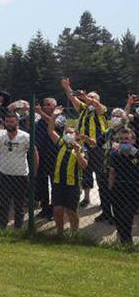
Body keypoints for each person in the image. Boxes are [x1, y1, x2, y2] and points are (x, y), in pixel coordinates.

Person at [61, 78, 108, 208]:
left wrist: (86, 96)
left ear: (97, 100)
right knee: (86, 173)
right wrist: (67, 87)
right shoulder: (83, 109)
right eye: (89, 97)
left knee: (101, 174)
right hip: (84, 146)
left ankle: (105, 201)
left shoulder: (101, 109)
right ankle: (86, 198)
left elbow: (96, 105)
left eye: (93, 97)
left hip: (98, 146)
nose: (89, 99)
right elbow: (73, 99)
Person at [0, 112, 36, 230]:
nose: (9, 124)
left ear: (17, 122)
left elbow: (35, 153)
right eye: (7, 122)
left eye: (12, 122)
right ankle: (2, 228)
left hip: (20, 174)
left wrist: (34, 171)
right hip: (4, 173)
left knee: (19, 204)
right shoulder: (1, 134)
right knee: (4, 203)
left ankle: (17, 229)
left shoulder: (25, 136)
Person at [107, 127, 139, 245]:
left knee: (127, 216)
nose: (124, 141)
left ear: (133, 140)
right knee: (118, 217)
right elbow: (112, 172)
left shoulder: (136, 153)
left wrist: (133, 152)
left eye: (127, 139)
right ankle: (123, 241)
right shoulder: (115, 154)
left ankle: (127, 242)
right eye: (121, 139)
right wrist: (111, 189)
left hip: (134, 189)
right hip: (118, 189)